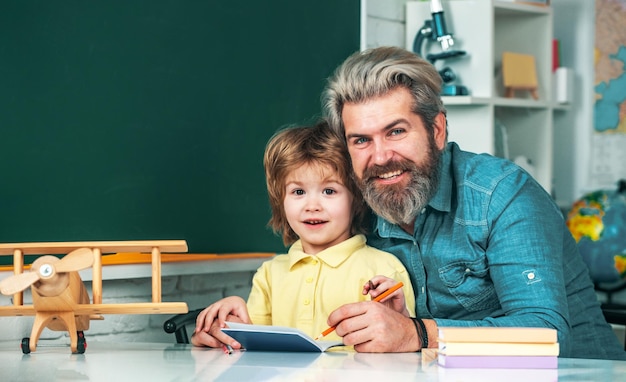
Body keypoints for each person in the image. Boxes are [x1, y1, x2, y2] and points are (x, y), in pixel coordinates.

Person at [320, 46, 626, 360]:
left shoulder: (503, 193)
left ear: (436, 131)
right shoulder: (354, 207)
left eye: (396, 131)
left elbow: (546, 332)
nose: (381, 157)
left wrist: (417, 333)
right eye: (361, 140)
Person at [191, 121, 416, 349]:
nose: (312, 205)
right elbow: (252, 351)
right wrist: (232, 327)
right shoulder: (270, 274)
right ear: (281, 201)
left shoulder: (384, 269)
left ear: (356, 199)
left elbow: (404, 347)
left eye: (329, 191)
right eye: (298, 191)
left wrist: (400, 320)